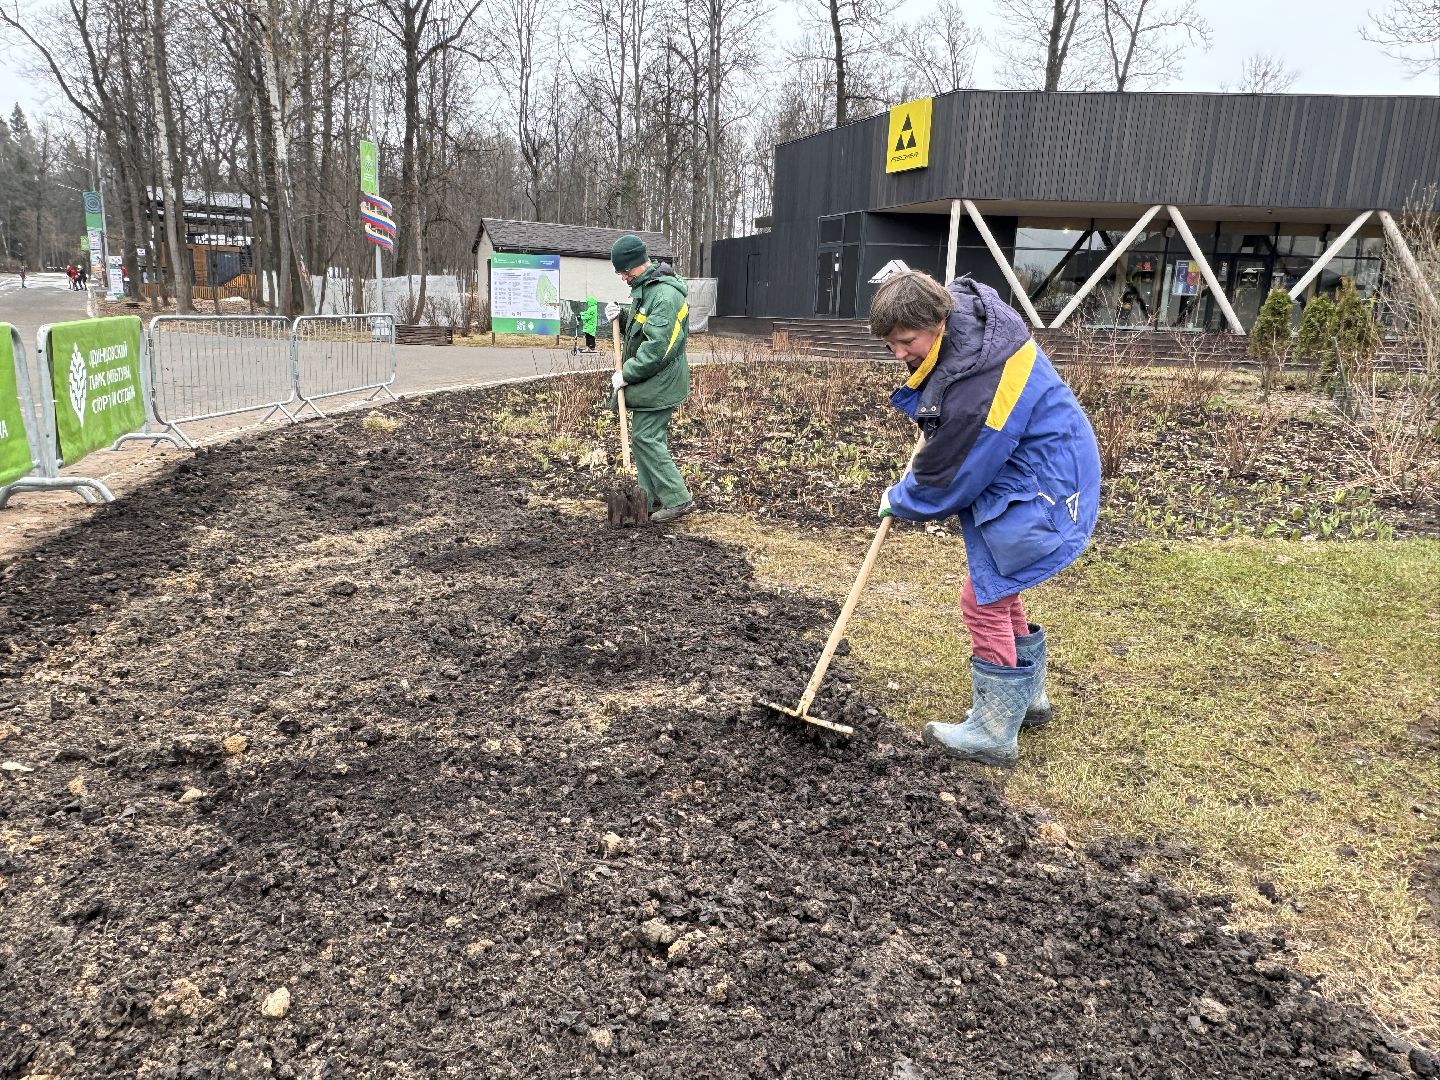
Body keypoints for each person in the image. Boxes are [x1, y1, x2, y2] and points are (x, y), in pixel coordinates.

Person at [872, 271, 1101, 767]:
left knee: (981, 599)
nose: (899, 355)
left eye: (906, 342)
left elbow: (954, 472)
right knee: (1000, 585)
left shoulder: (982, 386)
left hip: (1045, 485)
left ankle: (995, 730)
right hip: (1043, 461)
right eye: (891, 345)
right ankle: (1029, 702)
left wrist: (904, 497)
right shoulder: (970, 335)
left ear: (938, 320)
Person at [605, 235, 694, 525]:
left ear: (635, 266)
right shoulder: (649, 290)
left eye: (623, 272)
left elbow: (658, 349)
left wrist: (627, 374)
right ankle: (648, 497)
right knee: (643, 437)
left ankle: (678, 498)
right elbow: (646, 320)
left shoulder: (666, 296)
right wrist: (623, 314)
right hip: (653, 381)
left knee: (646, 437)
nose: (622, 278)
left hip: (662, 381)